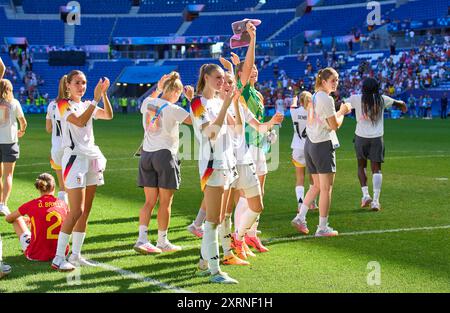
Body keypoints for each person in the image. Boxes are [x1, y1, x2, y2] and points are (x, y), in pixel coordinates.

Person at [51, 70, 113, 272]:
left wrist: (103, 94)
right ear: (67, 85)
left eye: (84, 82)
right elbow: (79, 121)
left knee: (85, 211)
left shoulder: (87, 104)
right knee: (75, 210)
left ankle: (76, 255)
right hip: (74, 159)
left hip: (91, 158)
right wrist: (95, 99)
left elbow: (108, 115)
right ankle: (59, 257)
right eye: (77, 82)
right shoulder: (62, 104)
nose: (82, 86)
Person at [190, 63, 240, 284]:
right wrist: (226, 104)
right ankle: (215, 270)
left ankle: (203, 262)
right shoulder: (197, 103)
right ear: (206, 78)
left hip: (228, 162)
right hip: (213, 164)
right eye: (218, 78)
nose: (222, 82)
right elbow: (210, 132)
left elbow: (237, 127)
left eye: (224, 78)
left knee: (219, 219)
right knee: (212, 221)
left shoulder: (220, 101)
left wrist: (232, 102)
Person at [230, 23, 278, 252]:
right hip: (245, 146)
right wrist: (252, 39)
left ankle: (251, 233)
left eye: (257, 70)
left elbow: (258, 121)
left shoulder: (257, 94)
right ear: (241, 75)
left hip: (260, 145)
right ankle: (238, 236)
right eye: (251, 70)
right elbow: (246, 65)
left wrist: (270, 130)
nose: (254, 71)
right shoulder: (244, 90)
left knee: (260, 192)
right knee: (246, 195)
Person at [133, 72, 193, 254]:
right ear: (175, 90)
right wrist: (192, 100)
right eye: (180, 93)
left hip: (146, 155)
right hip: (165, 155)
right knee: (165, 202)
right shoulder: (173, 109)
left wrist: (157, 89)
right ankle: (162, 240)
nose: (179, 96)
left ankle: (142, 239)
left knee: (149, 202)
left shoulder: (148, 103)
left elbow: (148, 100)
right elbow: (197, 121)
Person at [291, 68, 352, 236]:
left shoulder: (315, 95)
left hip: (310, 144)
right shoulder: (325, 98)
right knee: (326, 188)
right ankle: (322, 227)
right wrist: (343, 111)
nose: (336, 83)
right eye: (333, 80)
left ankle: (300, 216)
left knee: (316, 185)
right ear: (324, 82)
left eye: (337, 80)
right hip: (322, 145)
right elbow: (334, 126)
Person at [345, 77, 406, 211]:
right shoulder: (382, 99)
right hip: (377, 138)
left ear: (364, 87)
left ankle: (366, 195)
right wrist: (402, 105)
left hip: (361, 137)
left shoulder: (356, 98)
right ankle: (376, 201)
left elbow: (342, 105)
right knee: (376, 169)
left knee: (361, 166)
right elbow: (398, 103)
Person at [5, 173, 69, 261]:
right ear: (54, 187)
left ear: (39, 188)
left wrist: (26, 220)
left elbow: (8, 219)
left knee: (17, 219)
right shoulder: (63, 204)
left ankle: (33, 245)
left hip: (36, 254)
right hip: (61, 253)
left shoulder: (32, 204)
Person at [0, 78, 30, 248]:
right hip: (10, 141)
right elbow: (23, 121)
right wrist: (22, 130)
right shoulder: (14, 102)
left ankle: (0, 202)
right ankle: (3, 204)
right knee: (8, 175)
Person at [289, 92, 317, 227]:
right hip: (310, 147)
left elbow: (292, 106)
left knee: (299, 178)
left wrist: (294, 100)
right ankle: (312, 202)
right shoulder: (312, 112)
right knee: (313, 178)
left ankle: (300, 202)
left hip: (297, 147)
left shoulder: (294, 111)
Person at [46, 76, 70, 204]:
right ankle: (71, 214)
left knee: (62, 185)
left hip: (56, 147)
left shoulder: (52, 105)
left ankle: (62, 213)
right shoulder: (69, 105)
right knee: (71, 185)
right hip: (69, 147)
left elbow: (48, 128)